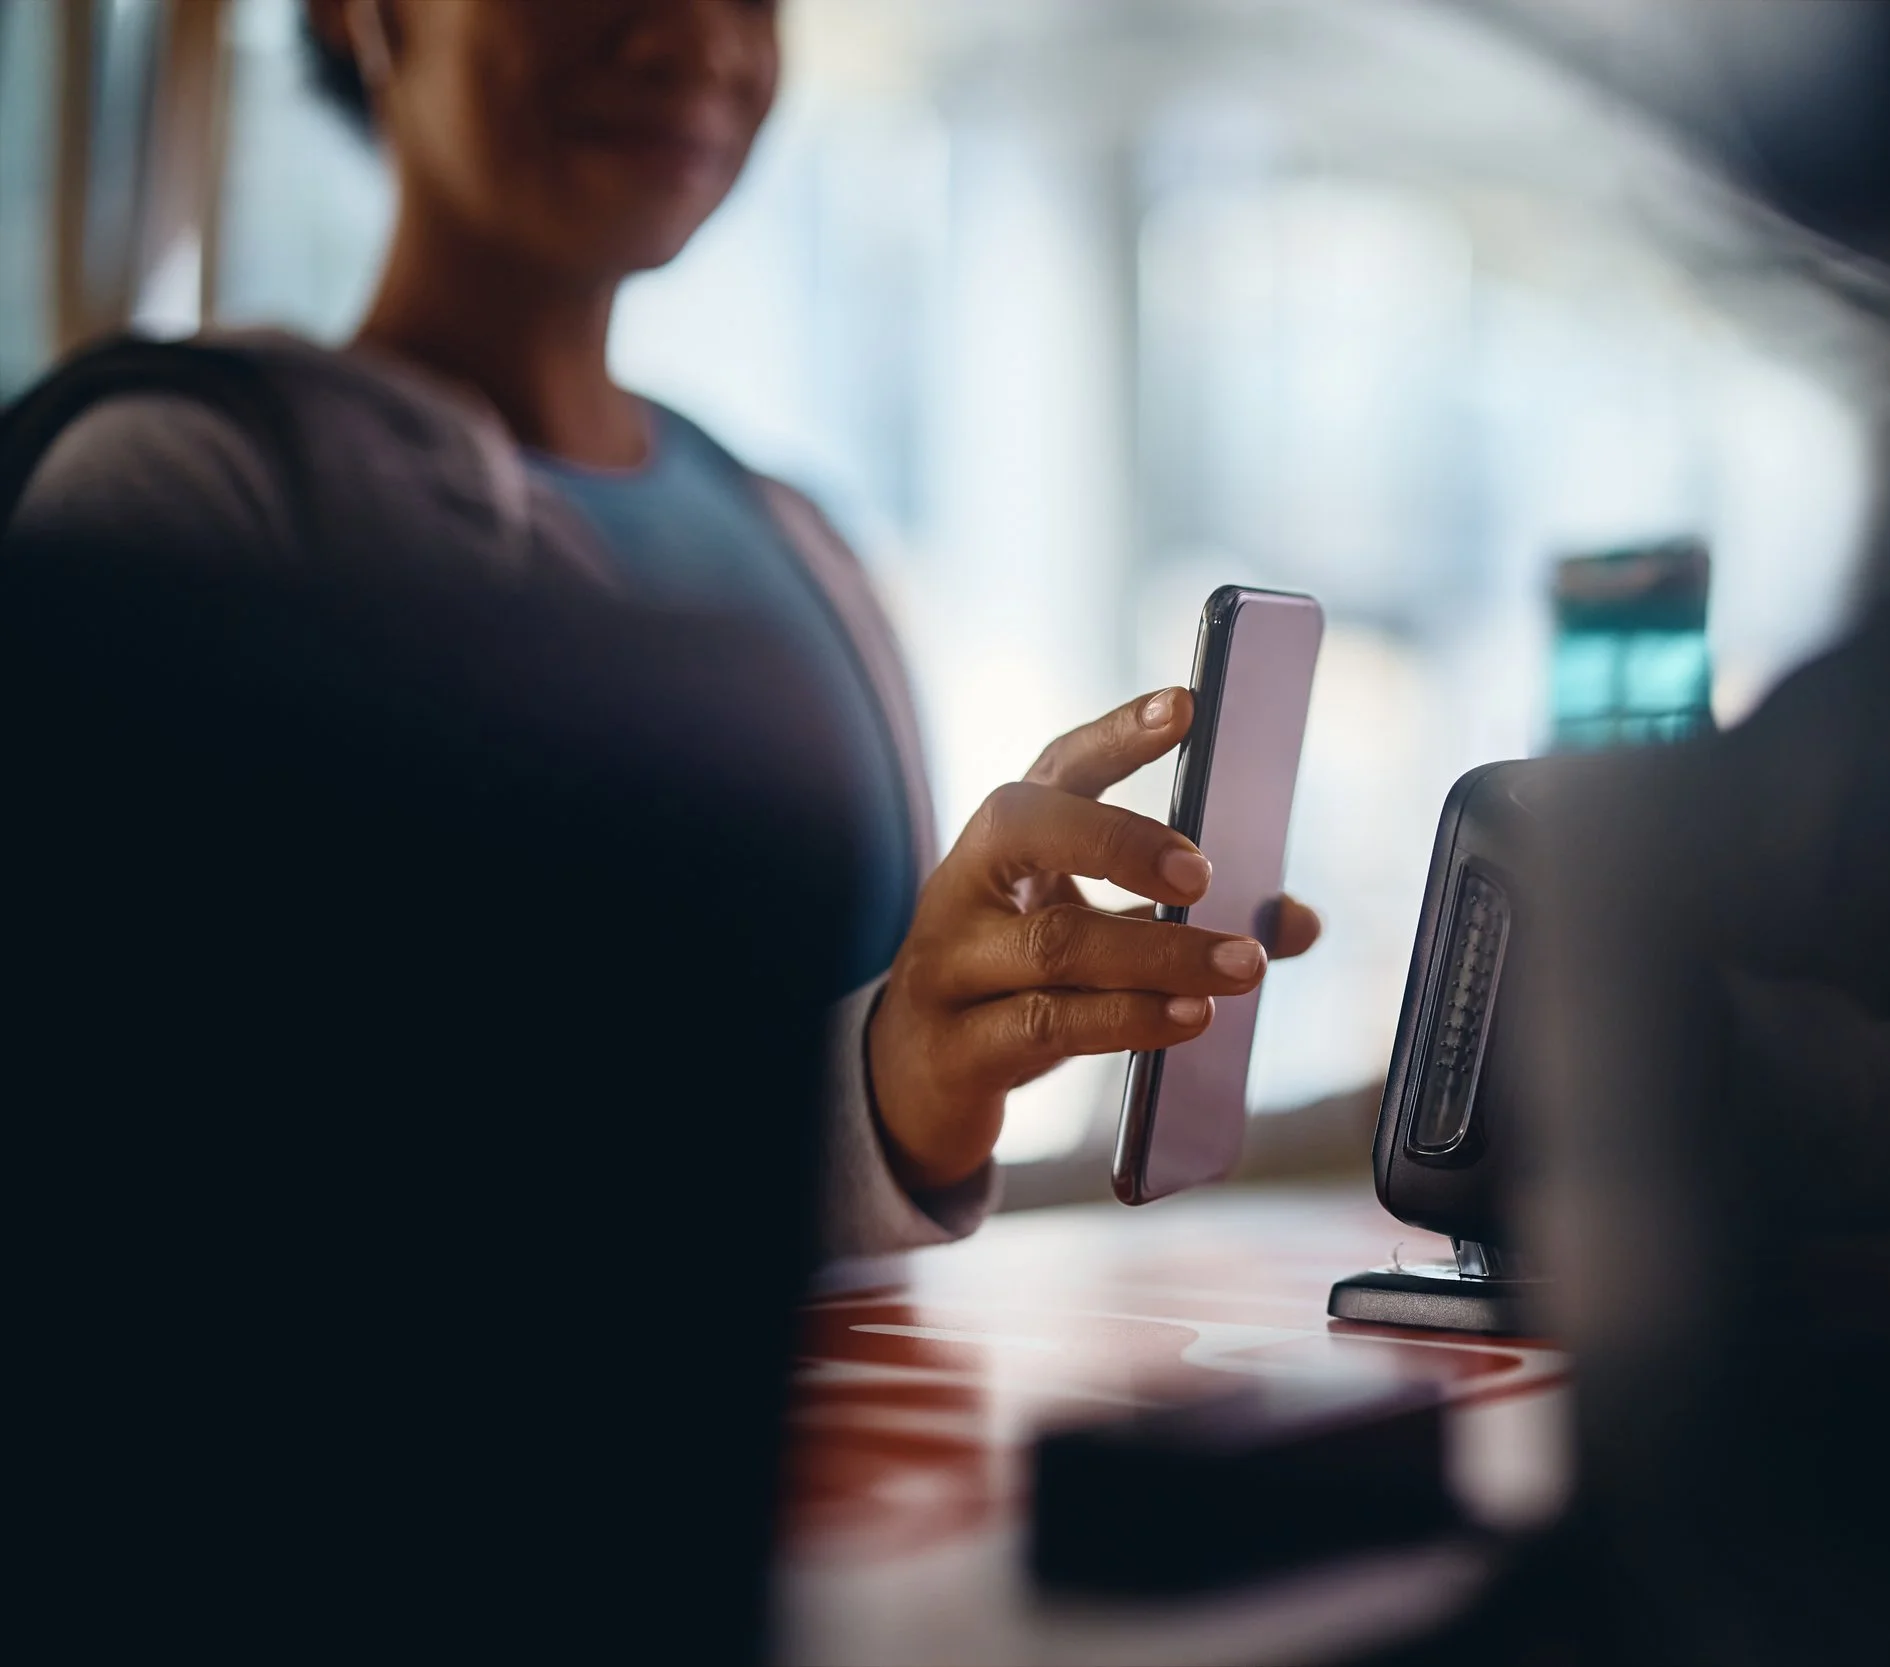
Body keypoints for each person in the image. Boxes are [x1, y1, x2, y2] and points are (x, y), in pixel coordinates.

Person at [8, 0, 1320, 1254]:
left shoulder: (799, 541)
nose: (698, 37)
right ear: (367, 9)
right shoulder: (188, 496)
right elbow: (147, 1169)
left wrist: (946, 1038)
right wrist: (870, 1089)